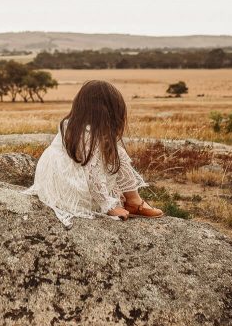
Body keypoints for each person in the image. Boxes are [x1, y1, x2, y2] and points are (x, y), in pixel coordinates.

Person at [25, 80, 163, 227]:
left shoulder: (71, 125)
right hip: (68, 188)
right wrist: (108, 207)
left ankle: (133, 200)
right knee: (116, 153)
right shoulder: (88, 136)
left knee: (116, 152)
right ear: (108, 111)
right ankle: (134, 201)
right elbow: (93, 175)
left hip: (56, 180)